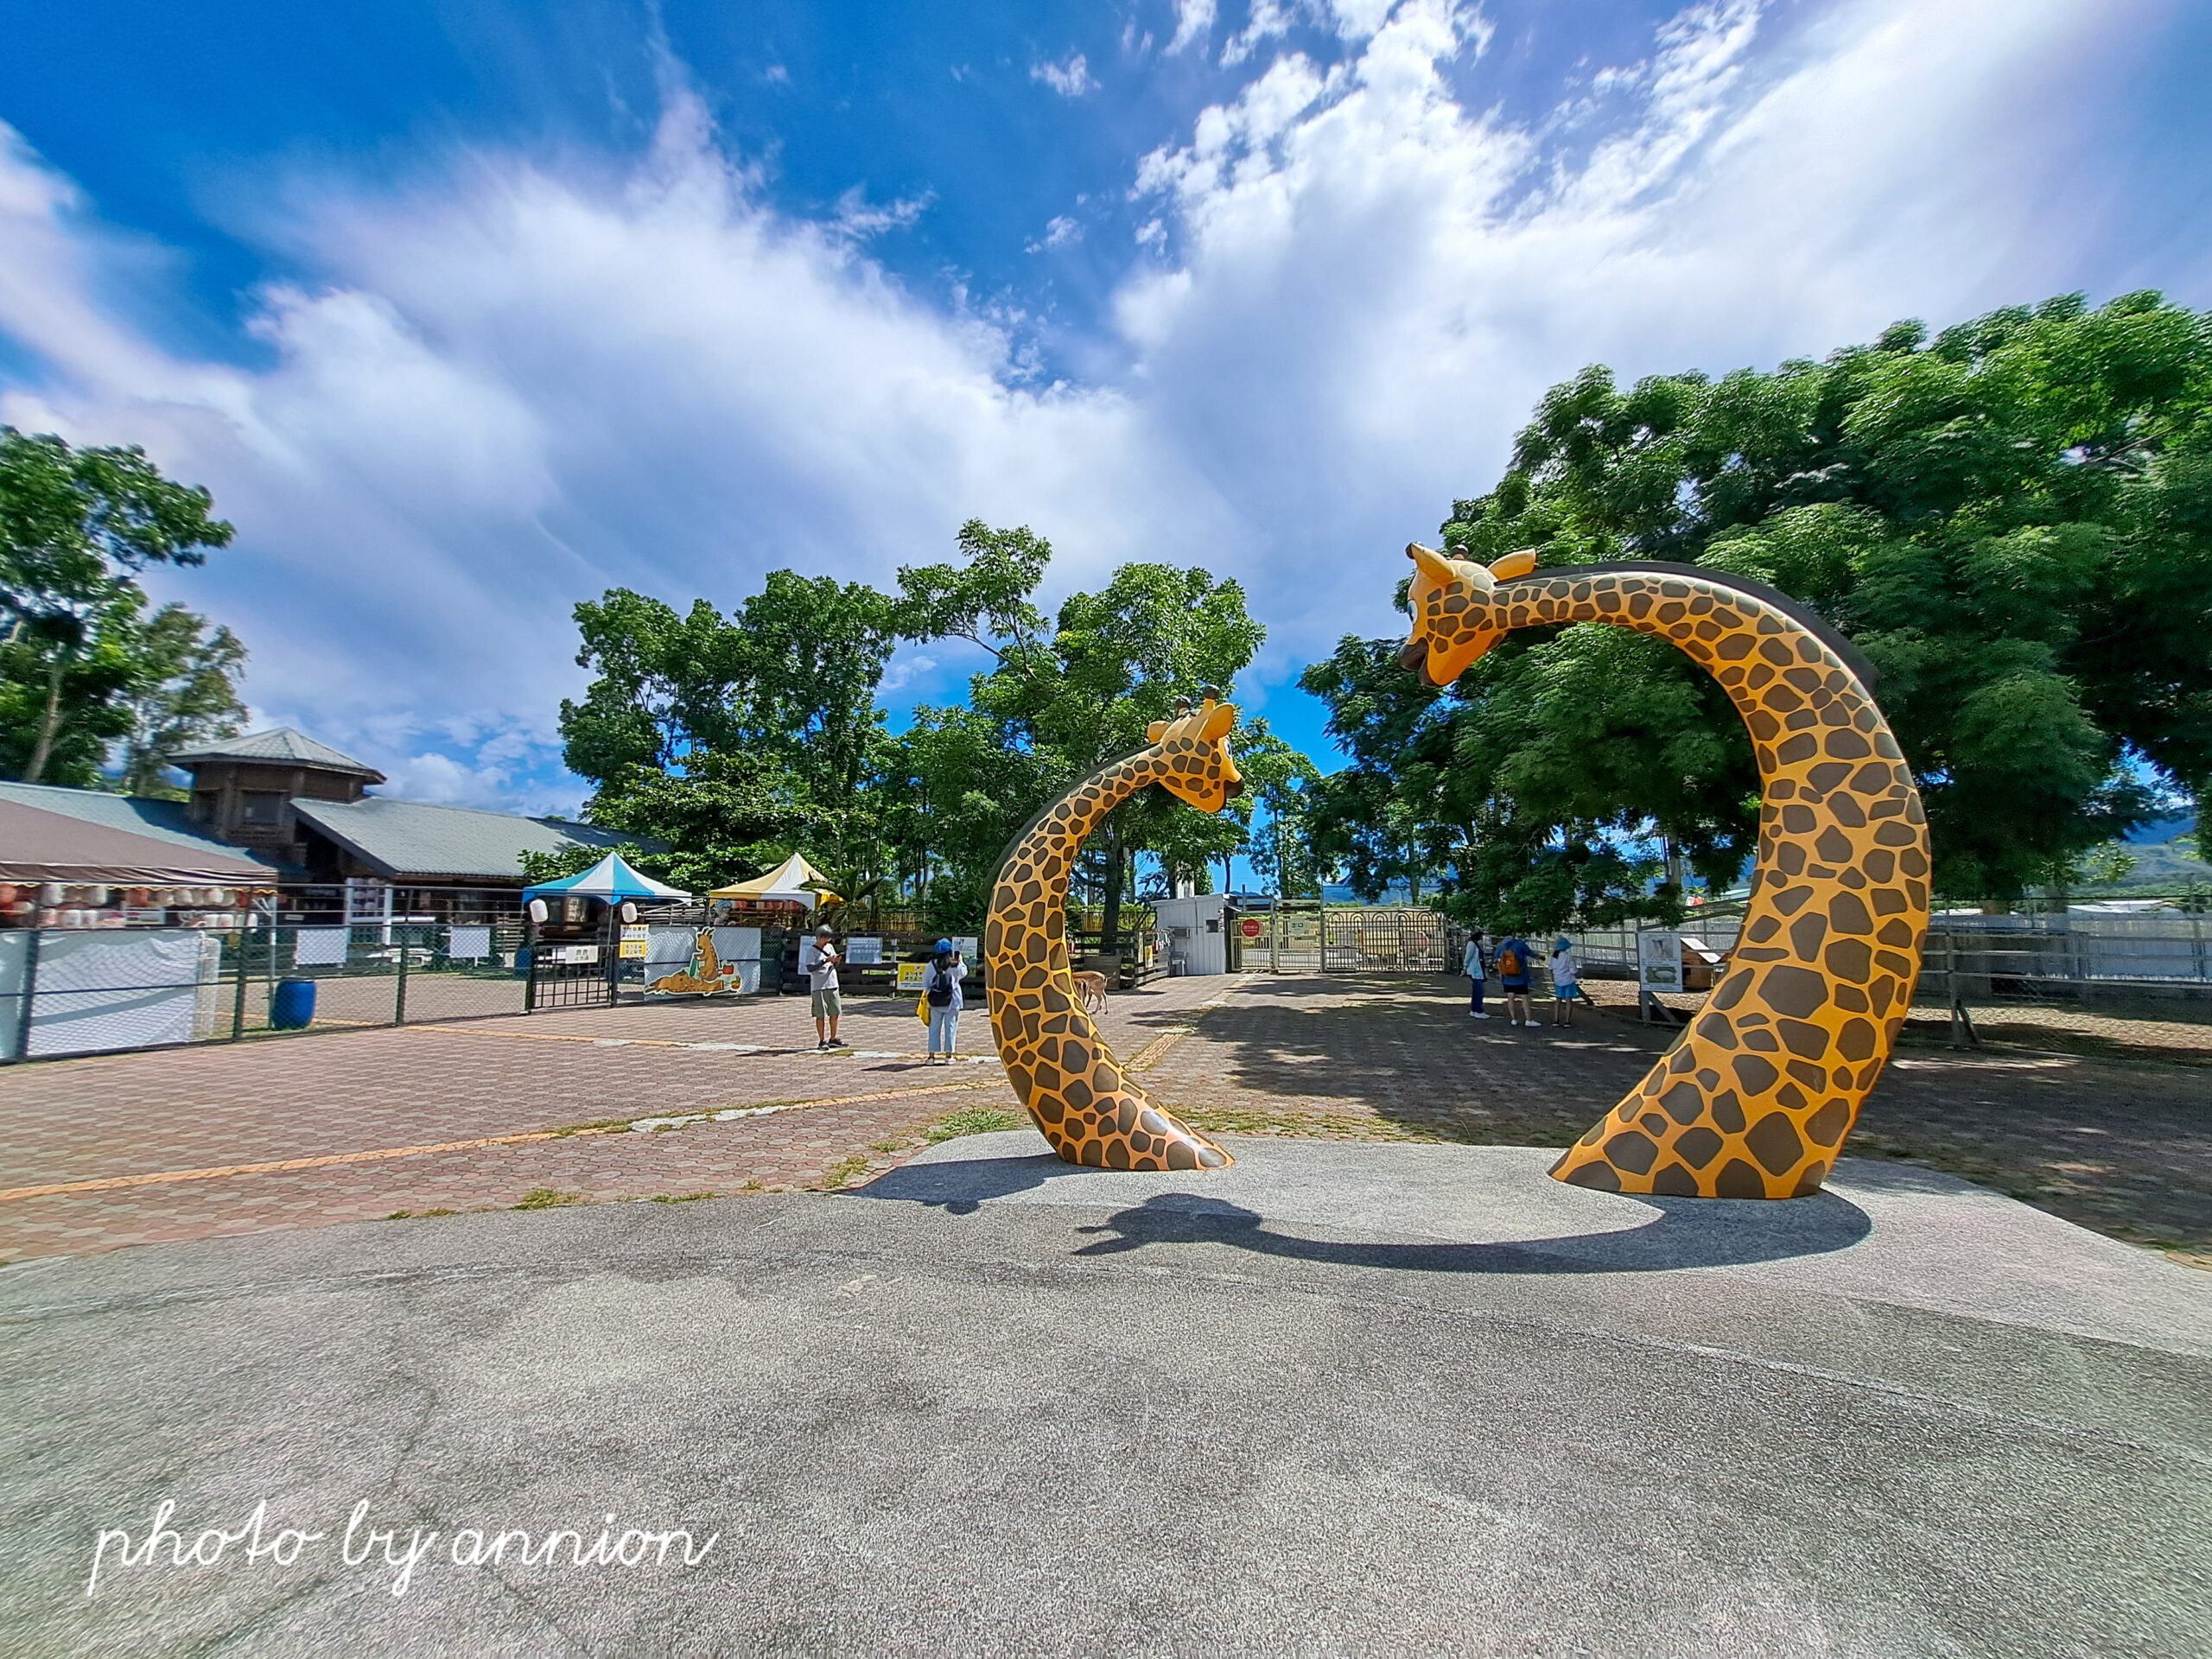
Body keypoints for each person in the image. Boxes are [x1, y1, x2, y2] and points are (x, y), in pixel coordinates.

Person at [923, 938, 965, 1064]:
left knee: (934, 1028)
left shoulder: (932, 964)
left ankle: (931, 1057)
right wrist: (961, 961)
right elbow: (964, 973)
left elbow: (926, 983)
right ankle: (948, 1056)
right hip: (953, 1001)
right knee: (951, 1027)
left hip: (935, 1001)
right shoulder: (955, 965)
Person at [809, 925, 845, 1049]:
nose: (827, 941)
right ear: (819, 937)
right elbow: (810, 968)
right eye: (825, 938)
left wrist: (835, 962)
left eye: (828, 938)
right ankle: (821, 1040)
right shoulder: (811, 951)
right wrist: (825, 961)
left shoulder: (830, 947)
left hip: (832, 983)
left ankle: (833, 1038)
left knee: (835, 1012)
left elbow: (833, 964)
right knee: (820, 1014)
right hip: (819, 986)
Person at [1494, 933, 1535, 1027]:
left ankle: (1513, 1019)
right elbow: (1531, 953)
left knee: (1510, 998)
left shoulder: (1501, 946)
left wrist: (1501, 975)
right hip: (1520, 976)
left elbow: (1497, 961)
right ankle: (1529, 1020)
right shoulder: (1520, 945)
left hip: (1507, 977)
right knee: (1524, 998)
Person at [1548, 936, 1579, 1027]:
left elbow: (1550, 968)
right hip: (1568, 980)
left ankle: (1556, 1020)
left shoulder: (1552, 956)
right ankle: (1567, 1021)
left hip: (1558, 980)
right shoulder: (1568, 956)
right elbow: (1573, 970)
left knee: (1558, 1000)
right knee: (1568, 1000)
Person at [1461, 930, 1491, 1019]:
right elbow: (1468, 956)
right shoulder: (1472, 944)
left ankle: (1474, 1009)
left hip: (1477, 970)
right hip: (1474, 970)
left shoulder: (1475, 944)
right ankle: (1478, 1010)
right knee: (1479, 990)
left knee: (1476, 991)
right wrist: (1465, 967)